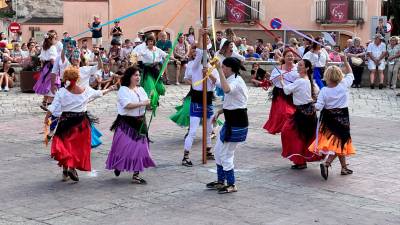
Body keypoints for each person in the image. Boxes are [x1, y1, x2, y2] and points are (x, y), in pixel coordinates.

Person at [45, 67, 115, 182]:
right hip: (81, 124)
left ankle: (65, 170)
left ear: (66, 79)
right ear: (78, 78)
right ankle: (72, 168)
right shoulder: (86, 90)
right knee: (77, 147)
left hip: (66, 122)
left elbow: (53, 108)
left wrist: (46, 117)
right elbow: (99, 93)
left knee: (65, 146)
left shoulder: (61, 92)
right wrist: (110, 89)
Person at [106, 66, 156, 184]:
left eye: (139, 75)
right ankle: (118, 165)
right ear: (129, 77)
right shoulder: (123, 90)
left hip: (140, 122)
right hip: (126, 124)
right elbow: (126, 105)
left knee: (140, 148)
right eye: (135, 75)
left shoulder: (141, 89)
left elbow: (146, 106)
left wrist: (150, 102)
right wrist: (142, 103)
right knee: (123, 149)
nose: (138, 77)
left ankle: (136, 174)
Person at [309, 55, 355, 180]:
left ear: (327, 76)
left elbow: (318, 107)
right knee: (340, 143)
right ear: (340, 75)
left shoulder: (324, 91)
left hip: (328, 120)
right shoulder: (344, 85)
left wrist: (312, 103)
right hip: (342, 119)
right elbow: (351, 73)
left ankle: (344, 167)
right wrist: (345, 61)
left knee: (337, 142)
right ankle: (327, 163)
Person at [207, 57, 248, 194]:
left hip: (237, 123)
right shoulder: (232, 78)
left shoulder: (237, 81)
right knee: (219, 151)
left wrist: (218, 69)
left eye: (224, 67)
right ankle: (221, 181)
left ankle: (231, 184)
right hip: (230, 121)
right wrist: (210, 74)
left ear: (230, 68)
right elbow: (222, 85)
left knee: (226, 154)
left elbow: (226, 90)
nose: (222, 69)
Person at [182, 29, 219, 167]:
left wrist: (209, 74)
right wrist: (199, 35)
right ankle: (186, 156)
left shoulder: (212, 66)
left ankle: (208, 151)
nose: (206, 54)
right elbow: (200, 54)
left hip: (208, 98)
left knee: (209, 129)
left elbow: (216, 83)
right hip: (197, 99)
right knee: (193, 130)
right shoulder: (194, 64)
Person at [280, 59, 321, 169]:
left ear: (307, 68)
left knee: (290, 133)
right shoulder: (310, 81)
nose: (298, 67)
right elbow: (317, 92)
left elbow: (287, 91)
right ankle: (301, 160)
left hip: (302, 113)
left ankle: (300, 161)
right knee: (305, 137)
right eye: (298, 65)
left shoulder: (301, 81)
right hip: (310, 112)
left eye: (301, 65)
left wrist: (282, 81)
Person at [263, 50, 298, 134]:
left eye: (292, 56)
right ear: (284, 58)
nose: (290, 57)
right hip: (280, 93)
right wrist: (278, 78)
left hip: (293, 93)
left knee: (292, 113)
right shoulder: (278, 69)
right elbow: (272, 80)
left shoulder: (297, 68)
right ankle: (285, 129)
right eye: (288, 56)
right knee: (285, 112)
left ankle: (287, 130)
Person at [137, 34, 167, 106]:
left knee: (161, 88)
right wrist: (132, 60)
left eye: (152, 41)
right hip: (147, 71)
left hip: (156, 71)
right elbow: (136, 55)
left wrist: (175, 59)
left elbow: (166, 55)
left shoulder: (157, 50)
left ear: (154, 42)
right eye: (149, 41)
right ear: (147, 42)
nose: (150, 42)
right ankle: (151, 103)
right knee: (150, 88)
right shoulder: (144, 50)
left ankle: (155, 99)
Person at [33, 31, 58, 109]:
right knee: (52, 85)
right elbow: (52, 59)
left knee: (47, 85)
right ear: (51, 40)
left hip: (45, 68)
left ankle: (44, 103)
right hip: (51, 68)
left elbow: (42, 60)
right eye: (55, 38)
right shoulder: (52, 47)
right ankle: (50, 106)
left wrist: (43, 68)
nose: (56, 40)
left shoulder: (44, 47)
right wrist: (56, 69)